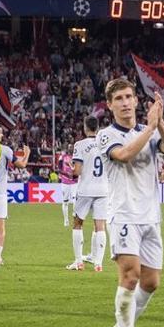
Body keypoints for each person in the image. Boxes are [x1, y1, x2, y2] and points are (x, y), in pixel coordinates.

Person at [100, 82, 164, 327]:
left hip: (150, 216)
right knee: (130, 276)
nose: (125, 102)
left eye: (128, 97)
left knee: (151, 282)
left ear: (136, 101)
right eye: (118, 98)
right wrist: (150, 128)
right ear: (109, 104)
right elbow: (123, 155)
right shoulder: (107, 135)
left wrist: (160, 122)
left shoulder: (149, 130)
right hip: (124, 215)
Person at [68, 116, 109, 272]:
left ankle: (79, 262)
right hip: (103, 190)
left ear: (85, 128)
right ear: (97, 128)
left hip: (85, 189)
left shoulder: (80, 145)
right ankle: (98, 264)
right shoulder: (105, 145)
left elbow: (77, 171)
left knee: (77, 223)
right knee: (100, 226)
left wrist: (71, 169)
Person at [0, 123, 27, 265]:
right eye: (0, 132)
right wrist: (27, 153)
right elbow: (22, 165)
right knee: (0, 227)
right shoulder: (5, 150)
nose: (2, 135)